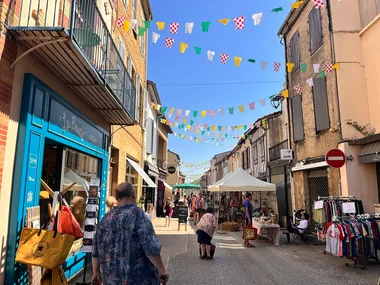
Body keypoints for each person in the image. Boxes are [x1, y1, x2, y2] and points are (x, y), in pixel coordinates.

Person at [91, 182, 169, 285]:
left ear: (117, 197)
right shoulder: (137, 214)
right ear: (133, 195)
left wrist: (95, 272)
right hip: (138, 279)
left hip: (110, 280)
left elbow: (95, 251)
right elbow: (150, 246)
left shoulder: (105, 218)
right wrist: (161, 269)